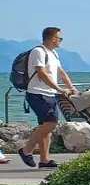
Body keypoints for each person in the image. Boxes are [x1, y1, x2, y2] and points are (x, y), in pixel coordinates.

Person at [19, 26, 77, 169]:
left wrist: (71, 87)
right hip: (37, 93)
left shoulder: (54, 54)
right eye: (60, 38)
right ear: (53, 38)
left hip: (49, 94)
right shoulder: (38, 51)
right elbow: (41, 73)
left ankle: (44, 161)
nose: (60, 41)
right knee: (51, 122)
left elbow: (60, 72)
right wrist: (59, 88)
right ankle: (26, 150)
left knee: (46, 127)